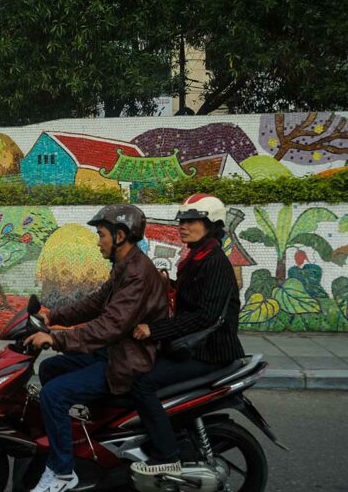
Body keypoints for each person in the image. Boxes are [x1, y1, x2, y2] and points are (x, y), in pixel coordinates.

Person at [24, 204, 168, 492]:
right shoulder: (125, 266)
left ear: (120, 236)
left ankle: (63, 473)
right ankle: (78, 440)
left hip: (127, 361)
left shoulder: (137, 274)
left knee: (54, 394)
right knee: (51, 369)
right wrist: (53, 316)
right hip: (114, 351)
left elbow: (110, 326)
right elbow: (95, 303)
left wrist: (56, 339)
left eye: (101, 234)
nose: (97, 241)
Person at [129, 194, 245, 478]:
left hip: (210, 352)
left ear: (212, 225)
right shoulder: (197, 256)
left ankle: (166, 454)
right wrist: (167, 283)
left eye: (193, 221)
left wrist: (154, 330)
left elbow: (206, 316)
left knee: (141, 383)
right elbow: (193, 296)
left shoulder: (215, 261)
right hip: (193, 346)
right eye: (182, 220)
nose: (184, 226)